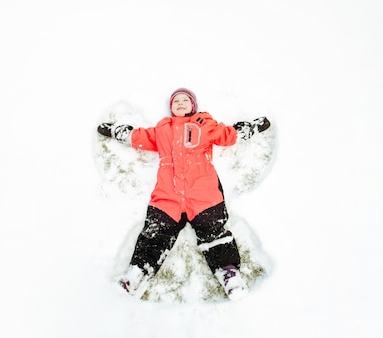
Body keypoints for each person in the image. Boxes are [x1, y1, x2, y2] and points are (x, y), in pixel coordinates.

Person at [97, 87, 270, 301]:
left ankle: (230, 274)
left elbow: (227, 135)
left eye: (185, 100)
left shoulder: (203, 124)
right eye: (176, 101)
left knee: (214, 232)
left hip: (203, 193)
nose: (180, 103)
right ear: (171, 108)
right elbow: (139, 136)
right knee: (154, 234)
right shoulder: (162, 129)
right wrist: (117, 132)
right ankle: (136, 274)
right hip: (167, 196)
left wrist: (251, 127)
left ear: (193, 106)